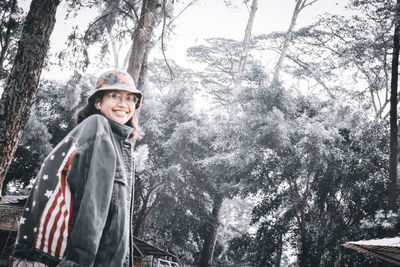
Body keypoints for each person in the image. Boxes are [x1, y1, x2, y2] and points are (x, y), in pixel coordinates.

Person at [13, 70, 143, 267]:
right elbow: (92, 203)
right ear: (98, 102)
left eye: (130, 98)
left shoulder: (117, 142)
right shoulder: (98, 127)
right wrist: (77, 262)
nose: (124, 104)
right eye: (115, 96)